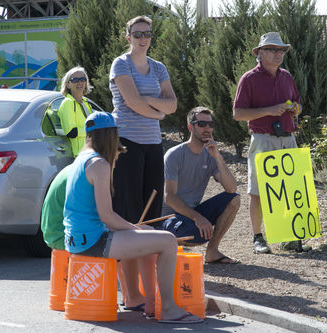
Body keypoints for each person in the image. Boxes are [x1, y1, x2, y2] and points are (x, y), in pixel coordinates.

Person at [63, 111, 202, 324]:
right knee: (167, 241)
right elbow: (106, 215)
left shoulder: (80, 159)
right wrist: (134, 228)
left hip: (77, 238)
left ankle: (145, 301)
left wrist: (133, 229)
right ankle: (168, 309)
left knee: (149, 237)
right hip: (92, 240)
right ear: (111, 136)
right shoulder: (99, 164)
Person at [109, 15, 177, 308]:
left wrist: (155, 108)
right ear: (128, 37)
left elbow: (173, 104)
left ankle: (148, 293)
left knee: (149, 214)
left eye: (147, 33)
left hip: (152, 145)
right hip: (127, 145)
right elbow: (132, 102)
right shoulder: (120, 64)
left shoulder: (159, 67)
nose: (143, 38)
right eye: (137, 34)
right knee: (128, 217)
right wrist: (158, 110)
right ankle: (130, 294)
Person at [233, 32, 310, 254]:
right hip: (263, 139)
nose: (278, 54)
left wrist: (296, 109)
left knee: (291, 189)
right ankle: (258, 238)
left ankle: (289, 237)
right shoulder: (249, 79)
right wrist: (269, 110)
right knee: (257, 191)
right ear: (260, 53)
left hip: (288, 138)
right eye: (273, 50)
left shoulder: (286, 76)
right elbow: (238, 113)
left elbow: (298, 103)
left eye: (281, 50)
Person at [155, 107, 240, 264]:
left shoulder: (210, 154)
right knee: (197, 234)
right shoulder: (174, 155)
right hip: (169, 217)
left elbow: (231, 188)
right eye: (201, 124)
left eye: (210, 124)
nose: (207, 129)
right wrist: (198, 218)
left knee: (234, 199)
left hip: (191, 213)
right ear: (190, 127)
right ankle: (164, 247)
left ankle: (213, 251)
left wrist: (218, 156)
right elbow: (170, 197)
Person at [58, 66, 94, 157]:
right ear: (68, 84)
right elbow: (71, 132)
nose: (80, 82)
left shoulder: (86, 103)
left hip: (91, 151)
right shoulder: (67, 103)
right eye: (75, 80)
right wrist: (94, 131)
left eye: (83, 79)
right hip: (79, 155)